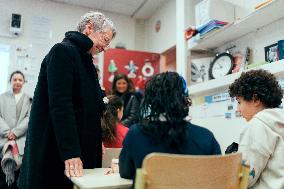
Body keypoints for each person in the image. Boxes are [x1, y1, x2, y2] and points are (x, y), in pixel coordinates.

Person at [18, 11, 116, 189]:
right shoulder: (62, 51)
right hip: (58, 150)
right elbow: (61, 105)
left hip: (80, 148)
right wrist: (70, 152)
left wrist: (97, 140)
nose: (106, 47)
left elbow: (91, 106)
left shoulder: (87, 62)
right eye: (105, 40)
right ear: (89, 28)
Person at [119, 72, 221, 179]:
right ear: (184, 99)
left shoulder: (136, 134)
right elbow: (218, 175)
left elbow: (126, 173)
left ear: (150, 101)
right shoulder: (206, 136)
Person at [228, 69, 284, 189]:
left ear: (256, 99)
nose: (238, 109)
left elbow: (243, 179)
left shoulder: (258, 124)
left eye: (239, 102)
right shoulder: (279, 120)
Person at [0, 71, 32, 189]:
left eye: (20, 80)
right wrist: (7, 132)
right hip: (3, 139)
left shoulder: (29, 99)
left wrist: (15, 132)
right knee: (2, 177)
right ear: (10, 81)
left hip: (20, 140)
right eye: (15, 79)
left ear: (23, 82)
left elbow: (30, 118)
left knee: (19, 175)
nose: (17, 82)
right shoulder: (1, 97)